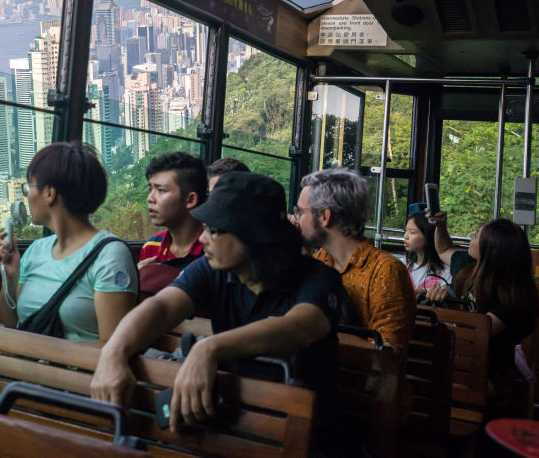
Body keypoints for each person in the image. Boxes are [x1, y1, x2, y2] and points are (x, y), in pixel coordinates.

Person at [91, 172, 347, 451]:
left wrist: (209, 349)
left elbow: (299, 328)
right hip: (229, 422)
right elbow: (161, 307)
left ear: (253, 235)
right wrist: (113, 352)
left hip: (304, 436)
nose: (203, 237)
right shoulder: (212, 270)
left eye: (214, 230)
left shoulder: (319, 279)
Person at [0, 141, 138, 342]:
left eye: (28, 187)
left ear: (49, 193)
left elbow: (113, 349)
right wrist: (8, 278)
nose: (26, 196)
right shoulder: (35, 251)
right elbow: (7, 329)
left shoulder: (110, 257)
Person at [426, 215, 539, 413]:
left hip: (487, 375)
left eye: (476, 235)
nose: (471, 237)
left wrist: (447, 309)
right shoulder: (469, 266)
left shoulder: (512, 301)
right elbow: (443, 249)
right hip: (457, 362)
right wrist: (441, 226)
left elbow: (474, 336)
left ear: (491, 250)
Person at [295, 168, 415, 355]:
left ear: (324, 217)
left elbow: (387, 355)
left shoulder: (386, 271)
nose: (296, 220)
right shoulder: (321, 260)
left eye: (300, 212)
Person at [139, 152, 208, 270]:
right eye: (150, 189)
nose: (150, 198)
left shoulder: (213, 249)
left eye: (161, 190)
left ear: (190, 199)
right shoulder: (151, 246)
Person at [403, 209, 451, 294]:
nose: (405, 236)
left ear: (428, 236)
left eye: (412, 232)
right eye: (405, 231)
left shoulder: (445, 271)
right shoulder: (401, 265)